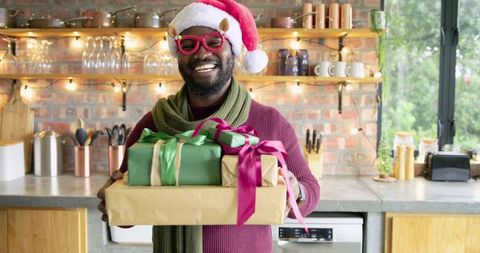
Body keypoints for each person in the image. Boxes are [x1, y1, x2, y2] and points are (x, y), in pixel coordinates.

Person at [97, 0, 320, 252]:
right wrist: (112, 199)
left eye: (214, 42)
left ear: (233, 51)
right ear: (178, 55)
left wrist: (296, 189)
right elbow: (129, 212)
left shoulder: (269, 122)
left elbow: (310, 192)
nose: (201, 54)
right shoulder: (155, 123)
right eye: (188, 45)